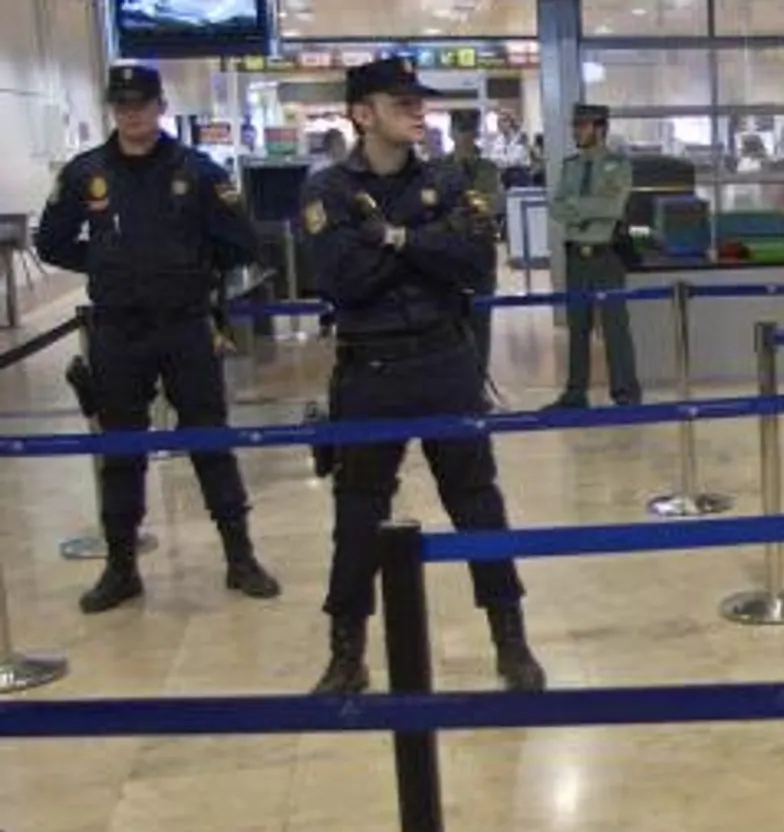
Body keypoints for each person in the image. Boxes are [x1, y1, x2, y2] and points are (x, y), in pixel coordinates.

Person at [300, 57, 544, 695]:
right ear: (362, 114)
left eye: (418, 101)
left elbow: (475, 264)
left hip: (445, 362)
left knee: (478, 503)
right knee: (357, 516)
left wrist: (395, 239)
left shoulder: (445, 174)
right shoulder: (325, 191)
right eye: (400, 101)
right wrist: (427, 244)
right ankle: (346, 652)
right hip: (370, 370)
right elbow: (341, 279)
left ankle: (510, 641)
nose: (417, 110)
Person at [35, 63, 280, 614]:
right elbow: (51, 241)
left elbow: (241, 243)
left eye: (142, 103)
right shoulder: (85, 173)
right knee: (121, 450)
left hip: (185, 326)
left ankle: (240, 557)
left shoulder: (198, 172)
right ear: (112, 109)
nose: (132, 113)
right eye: (122, 104)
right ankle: (121, 567)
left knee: (209, 441)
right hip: (119, 330)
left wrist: (193, 268)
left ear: (160, 105)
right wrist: (103, 262)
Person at [546, 103, 640, 408]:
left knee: (615, 329)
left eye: (582, 126)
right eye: (575, 125)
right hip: (575, 257)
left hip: (606, 255)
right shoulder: (571, 165)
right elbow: (556, 208)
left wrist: (578, 205)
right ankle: (575, 394)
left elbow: (613, 207)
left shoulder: (618, 165)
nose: (576, 131)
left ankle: (626, 394)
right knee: (577, 328)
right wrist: (590, 204)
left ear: (599, 128)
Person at [448, 108, 505, 383]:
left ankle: (479, 385)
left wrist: (464, 207)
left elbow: (493, 205)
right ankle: (456, 387)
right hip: (448, 256)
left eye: (470, 132)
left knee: (481, 325)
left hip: (480, 256)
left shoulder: (488, 169)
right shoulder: (438, 170)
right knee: (450, 326)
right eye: (461, 131)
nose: (466, 138)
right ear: (451, 133)